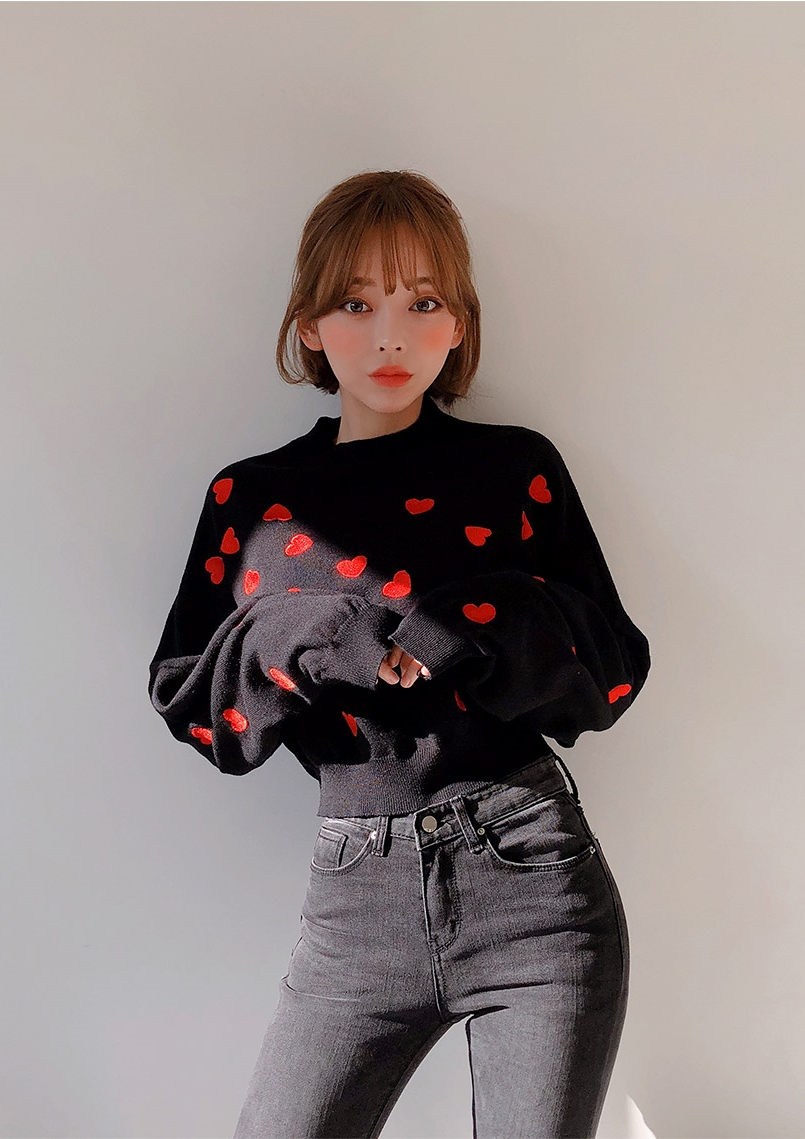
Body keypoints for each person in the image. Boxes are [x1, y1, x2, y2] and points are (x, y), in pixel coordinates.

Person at [148, 169, 651, 1139]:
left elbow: (610, 668)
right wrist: (311, 635)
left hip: (534, 880)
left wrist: (472, 625)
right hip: (356, 908)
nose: (390, 337)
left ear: (458, 325)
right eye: (355, 303)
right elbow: (191, 698)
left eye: (422, 303)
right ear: (307, 323)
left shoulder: (513, 467)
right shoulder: (252, 500)